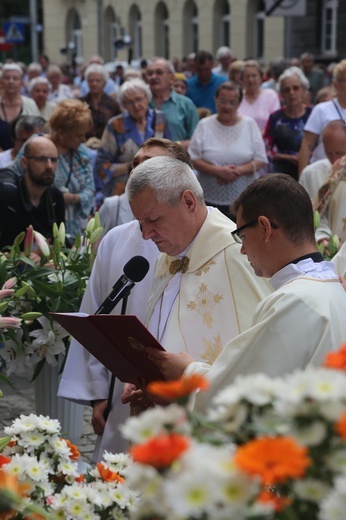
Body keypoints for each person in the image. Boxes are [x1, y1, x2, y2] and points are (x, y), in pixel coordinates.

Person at [145, 173, 346, 413]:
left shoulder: (294, 301)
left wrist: (187, 371)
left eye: (242, 236)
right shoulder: (332, 288)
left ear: (264, 228)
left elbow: (242, 397)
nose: (242, 250)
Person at [58, 139, 194, 461]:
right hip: (123, 392)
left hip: (177, 390)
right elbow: (96, 315)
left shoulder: (199, 239)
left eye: (149, 165)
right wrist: (97, 395)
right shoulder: (117, 240)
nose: (137, 171)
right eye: (135, 164)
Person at [122, 155, 272, 410]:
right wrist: (146, 379)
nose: (146, 234)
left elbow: (262, 354)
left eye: (154, 220)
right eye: (140, 223)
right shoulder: (168, 256)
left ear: (189, 202)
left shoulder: (239, 254)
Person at [12, 99, 95, 240]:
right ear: (61, 133)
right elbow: (13, 176)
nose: (83, 139)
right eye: (79, 135)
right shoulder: (37, 144)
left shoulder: (81, 154)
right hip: (37, 228)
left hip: (72, 228)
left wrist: (71, 198)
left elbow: (90, 190)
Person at [188, 81, 267, 218]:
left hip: (243, 200)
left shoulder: (249, 124)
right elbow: (192, 157)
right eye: (223, 101)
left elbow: (261, 159)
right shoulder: (204, 125)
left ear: (239, 103)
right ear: (215, 100)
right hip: (207, 200)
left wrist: (236, 171)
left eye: (232, 102)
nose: (227, 107)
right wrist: (218, 171)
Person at [95, 78, 171, 198]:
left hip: (157, 188)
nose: (136, 105)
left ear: (147, 97)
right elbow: (101, 166)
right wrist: (131, 166)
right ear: (124, 105)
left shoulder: (160, 119)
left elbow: (170, 155)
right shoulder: (115, 125)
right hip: (123, 190)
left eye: (139, 99)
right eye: (129, 102)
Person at [0, 136, 64, 250]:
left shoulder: (55, 197)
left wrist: (47, 254)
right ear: (24, 163)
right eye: (41, 159)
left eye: (53, 160)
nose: (49, 166)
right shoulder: (7, 195)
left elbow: (59, 245)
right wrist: (19, 258)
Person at [299, 120, 346, 245]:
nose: (335, 159)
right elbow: (307, 214)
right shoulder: (311, 173)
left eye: (339, 153)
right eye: (329, 153)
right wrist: (322, 237)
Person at [298, 59, 346, 174]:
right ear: (335, 84)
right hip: (323, 172)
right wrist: (302, 177)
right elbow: (307, 145)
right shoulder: (321, 109)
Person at [264, 66, 312, 180]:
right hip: (282, 176)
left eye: (295, 88)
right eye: (286, 89)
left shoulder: (313, 113)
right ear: (282, 94)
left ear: (303, 90)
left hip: (310, 173)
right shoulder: (275, 117)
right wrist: (287, 157)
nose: (291, 93)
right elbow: (266, 150)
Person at [147, 58, 199, 148]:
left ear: (171, 78)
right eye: (150, 74)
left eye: (159, 73)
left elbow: (197, 140)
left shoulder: (186, 104)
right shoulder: (141, 103)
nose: (153, 77)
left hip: (176, 159)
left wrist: (172, 146)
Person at [0, 63, 40, 151]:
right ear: (1, 82)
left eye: (15, 78)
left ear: (21, 83)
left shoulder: (30, 104)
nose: (11, 81)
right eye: (7, 78)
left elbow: (39, 132)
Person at [238, 60, 281, 134]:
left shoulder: (271, 95)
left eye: (254, 76)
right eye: (247, 76)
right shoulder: (237, 97)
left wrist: (257, 136)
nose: (250, 79)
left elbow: (276, 122)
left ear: (261, 77)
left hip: (265, 141)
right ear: (242, 79)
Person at [80, 64, 121, 140]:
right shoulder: (80, 103)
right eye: (91, 81)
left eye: (98, 81)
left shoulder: (113, 104)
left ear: (104, 83)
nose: (94, 84)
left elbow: (119, 129)